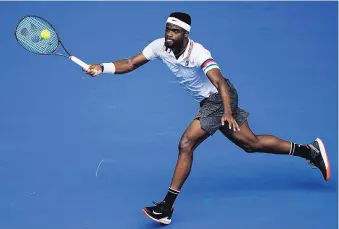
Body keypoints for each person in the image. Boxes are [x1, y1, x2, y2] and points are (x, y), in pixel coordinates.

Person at [84, 12, 331, 225]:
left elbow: (220, 82)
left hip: (220, 98)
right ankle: (309, 151)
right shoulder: (159, 46)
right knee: (250, 143)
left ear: (186, 34)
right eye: (167, 29)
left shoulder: (199, 52)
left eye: (175, 31)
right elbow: (130, 63)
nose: (169, 34)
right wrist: (102, 67)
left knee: (186, 143)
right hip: (210, 102)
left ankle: (166, 207)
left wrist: (225, 111)